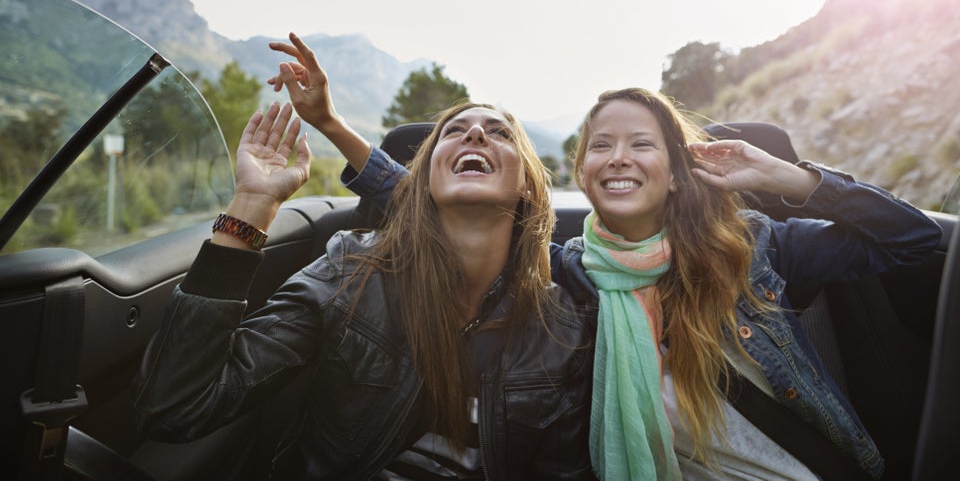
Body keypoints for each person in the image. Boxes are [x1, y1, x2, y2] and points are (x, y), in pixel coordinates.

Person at [264, 35, 942, 480]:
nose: (619, 157)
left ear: (677, 171)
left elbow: (913, 239)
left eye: (642, 144)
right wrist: (330, 125)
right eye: (601, 146)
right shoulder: (567, 273)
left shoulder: (756, 247)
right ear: (580, 174)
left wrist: (785, 176)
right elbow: (431, 202)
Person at [132, 99, 596, 480]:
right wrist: (252, 205)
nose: (475, 134)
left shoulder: (565, 324)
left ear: (529, 188)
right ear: (421, 183)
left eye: (500, 132)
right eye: (454, 130)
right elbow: (177, 408)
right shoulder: (348, 270)